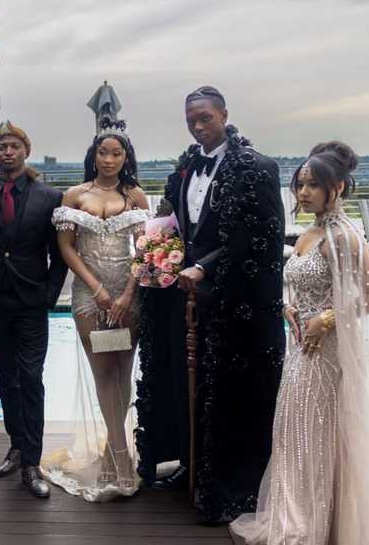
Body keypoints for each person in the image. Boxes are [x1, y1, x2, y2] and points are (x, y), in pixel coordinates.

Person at [231, 143, 369, 544]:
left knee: (317, 435)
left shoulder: (343, 236)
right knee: (295, 431)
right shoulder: (310, 232)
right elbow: (299, 284)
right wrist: (290, 307)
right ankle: (298, 514)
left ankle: (315, 525)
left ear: (336, 187)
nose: (303, 193)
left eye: (313, 186)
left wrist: (330, 317)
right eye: (300, 184)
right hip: (300, 350)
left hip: (327, 354)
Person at [148, 86, 286, 525]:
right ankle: (193, 465)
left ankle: (229, 482)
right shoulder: (186, 166)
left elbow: (258, 236)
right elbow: (171, 221)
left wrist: (204, 270)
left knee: (227, 393)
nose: (197, 125)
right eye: (191, 119)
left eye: (205, 117)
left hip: (234, 304)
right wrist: (152, 266)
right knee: (188, 386)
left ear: (224, 114)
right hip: (184, 299)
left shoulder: (256, 168)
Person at [45, 124, 149, 502]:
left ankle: (111, 453)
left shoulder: (136, 196)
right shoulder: (74, 195)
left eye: (116, 153)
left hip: (129, 293)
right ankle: (122, 459)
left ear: (125, 158)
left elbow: (145, 250)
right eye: (103, 153)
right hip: (89, 296)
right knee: (103, 371)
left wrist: (126, 293)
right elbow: (67, 248)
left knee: (124, 370)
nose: (109, 159)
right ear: (94, 156)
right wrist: (100, 290)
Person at [0, 121, 67, 499]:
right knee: (6, 378)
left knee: (30, 377)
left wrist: (49, 295)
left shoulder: (50, 196)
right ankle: (16, 445)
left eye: (14, 146)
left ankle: (32, 462)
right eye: (1, 147)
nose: (8, 152)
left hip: (31, 302)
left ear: (26, 150)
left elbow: (60, 255)